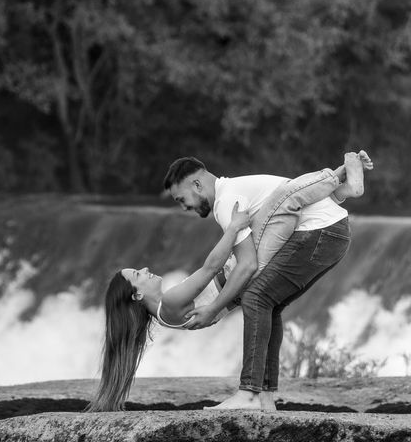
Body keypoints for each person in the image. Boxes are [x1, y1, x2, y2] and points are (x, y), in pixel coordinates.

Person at [86, 153, 371, 412]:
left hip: (318, 234)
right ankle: (262, 396)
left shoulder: (226, 202)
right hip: (321, 235)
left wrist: (233, 228)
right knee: (278, 219)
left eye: (180, 199)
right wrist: (234, 230)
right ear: (136, 297)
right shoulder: (169, 303)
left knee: (281, 208)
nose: (183, 207)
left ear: (198, 185)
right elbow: (215, 268)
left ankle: (253, 393)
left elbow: (226, 267)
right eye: (138, 274)